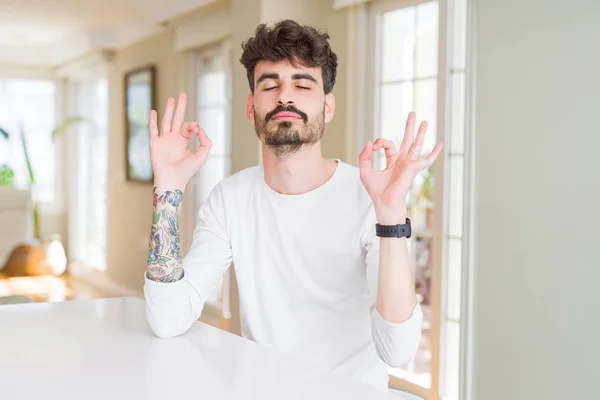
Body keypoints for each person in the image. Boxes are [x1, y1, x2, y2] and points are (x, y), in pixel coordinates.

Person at [144, 19, 443, 391]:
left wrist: (391, 214)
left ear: (327, 107)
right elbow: (167, 319)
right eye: (270, 84)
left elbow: (397, 351)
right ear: (252, 107)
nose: (285, 96)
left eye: (302, 84)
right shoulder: (231, 198)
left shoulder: (369, 197)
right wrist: (168, 192)